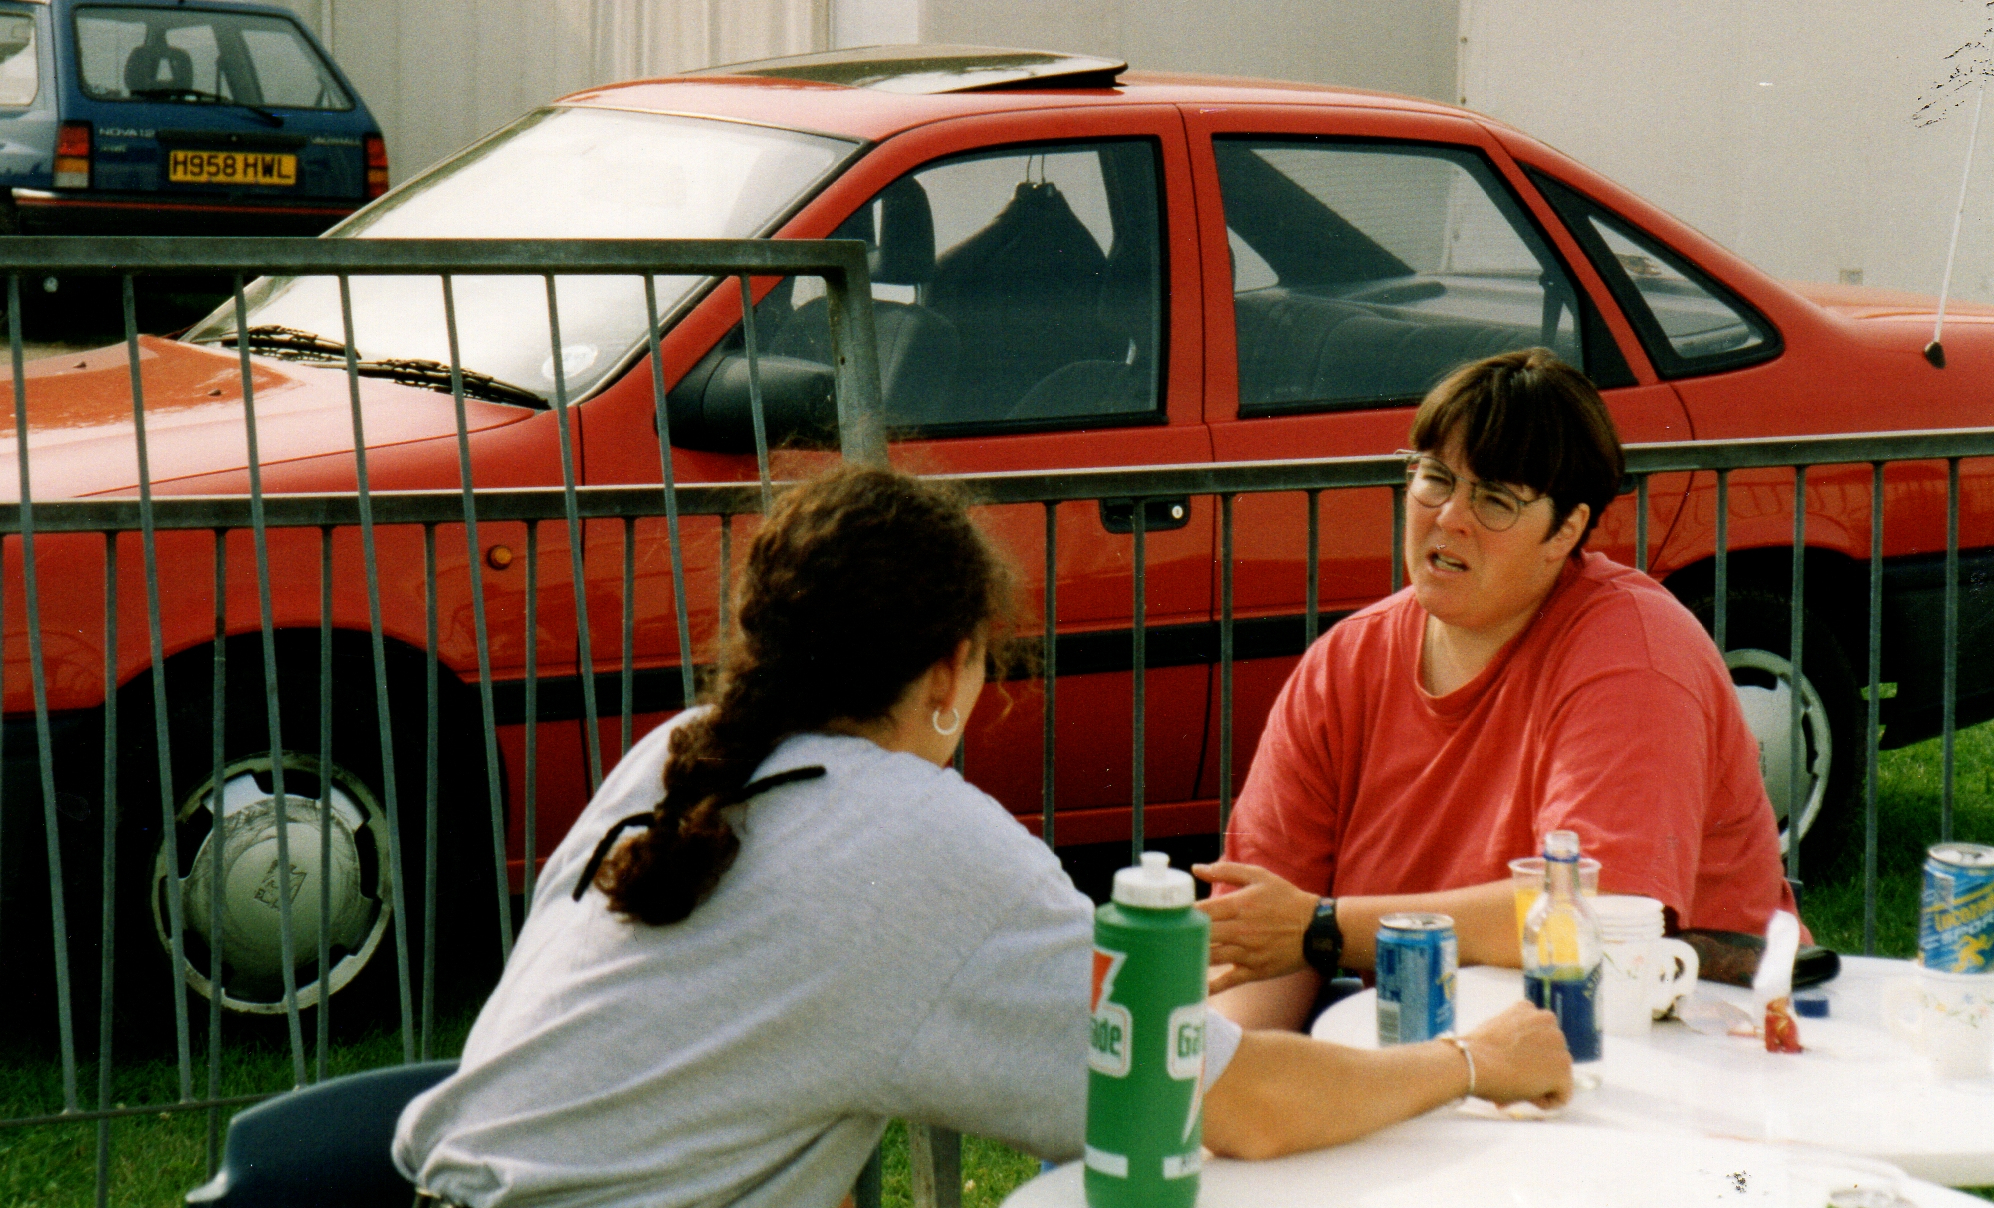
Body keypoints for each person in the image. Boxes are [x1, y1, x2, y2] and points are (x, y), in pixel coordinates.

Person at [394, 464, 1572, 1207]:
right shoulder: (928, 840)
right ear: (952, 667)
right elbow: (1232, 1103)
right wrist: (1472, 1063)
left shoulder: (681, 749)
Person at [1198, 349, 1801, 1033]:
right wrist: (1219, 1090)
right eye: (1434, 478)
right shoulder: (1341, 664)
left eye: (1493, 498)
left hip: (1694, 1043)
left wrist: (1326, 926)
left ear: (1566, 530)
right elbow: (1264, 944)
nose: (1450, 516)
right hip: (1446, 1050)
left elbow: (1592, 909)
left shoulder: (1631, 648)